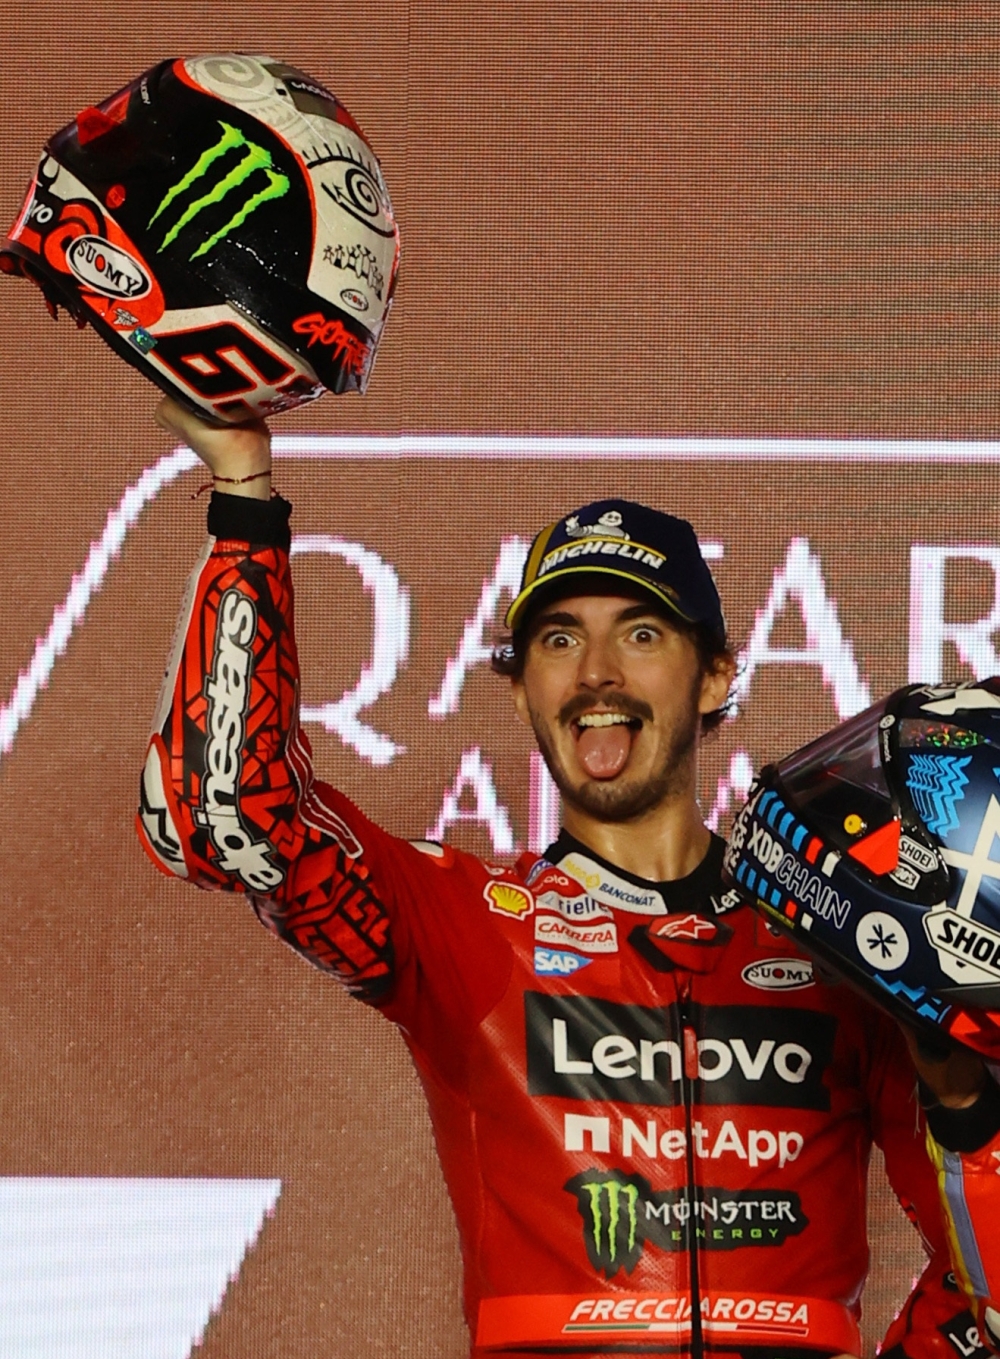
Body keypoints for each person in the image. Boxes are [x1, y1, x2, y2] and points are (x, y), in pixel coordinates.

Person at [138, 397, 1000, 1359]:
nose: (595, 672)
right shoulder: (460, 925)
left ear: (713, 675)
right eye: (557, 639)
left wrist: (967, 1106)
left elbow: (990, 1284)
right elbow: (227, 818)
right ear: (518, 686)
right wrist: (244, 494)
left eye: (640, 633)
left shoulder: (841, 938)